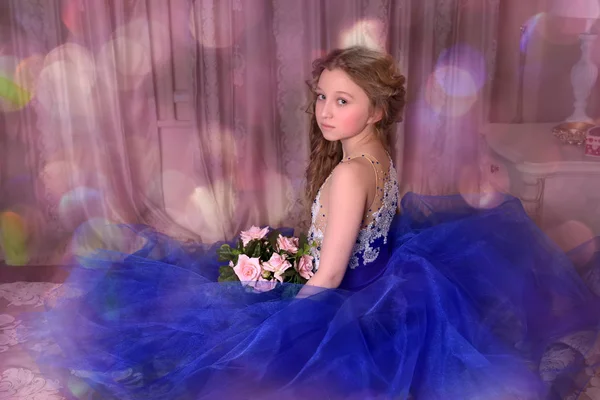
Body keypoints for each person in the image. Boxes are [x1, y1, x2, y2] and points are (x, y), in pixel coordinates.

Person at [23, 46, 600, 400]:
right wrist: (288, 254)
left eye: (342, 101)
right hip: (368, 273)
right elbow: (364, 234)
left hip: (349, 292)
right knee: (229, 267)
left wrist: (271, 325)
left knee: (210, 326)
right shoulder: (375, 154)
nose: (325, 111)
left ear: (377, 109)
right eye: (322, 97)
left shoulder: (350, 175)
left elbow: (326, 280)